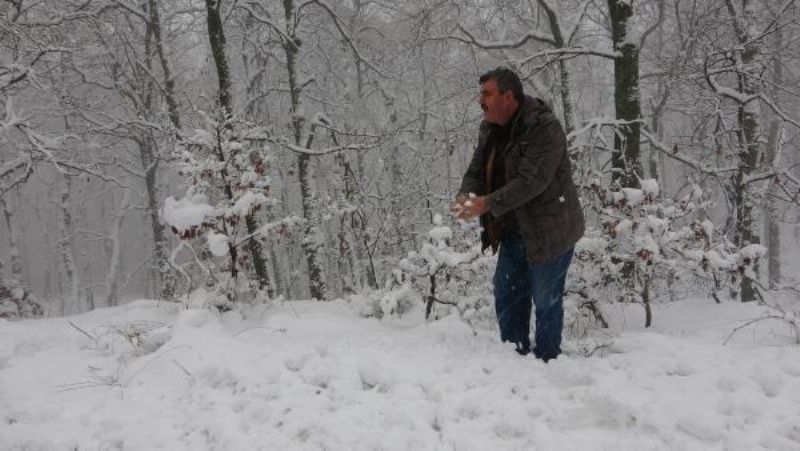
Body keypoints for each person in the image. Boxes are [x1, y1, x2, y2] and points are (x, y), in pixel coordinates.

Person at [453, 67, 584, 362]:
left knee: (545, 299)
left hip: (551, 231)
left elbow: (531, 182)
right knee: (507, 294)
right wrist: (466, 195)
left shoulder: (543, 128)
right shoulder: (490, 127)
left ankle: (549, 363)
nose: (480, 101)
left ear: (508, 96)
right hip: (513, 227)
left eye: (487, 94)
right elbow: (477, 169)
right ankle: (514, 359)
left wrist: (486, 204)